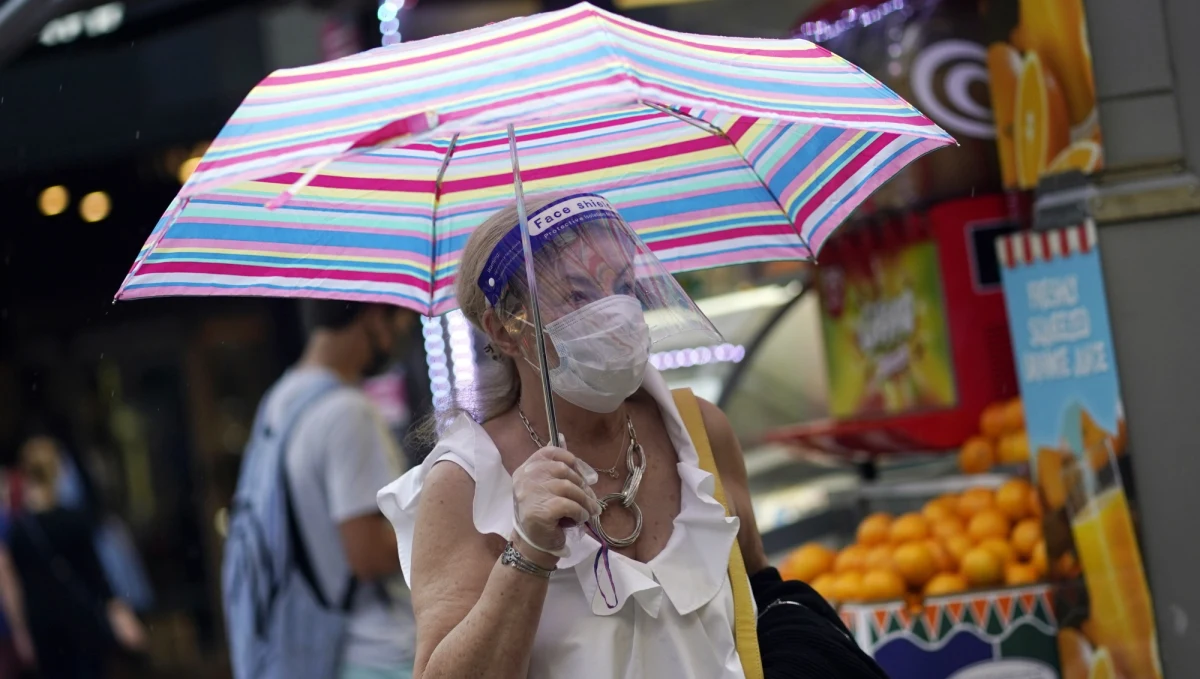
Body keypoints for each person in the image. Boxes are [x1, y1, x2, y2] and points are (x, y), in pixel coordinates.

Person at [376, 192, 770, 679]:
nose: (617, 313)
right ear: (503, 332)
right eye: (580, 296)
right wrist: (529, 548)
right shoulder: (464, 484)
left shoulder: (699, 430)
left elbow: (760, 595)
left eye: (624, 285)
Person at [263, 300, 418, 679]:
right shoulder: (348, 412)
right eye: (399, 323)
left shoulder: (282, 399)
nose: (399, 337)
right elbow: (365, 555)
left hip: (317, 645)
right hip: (379, 652)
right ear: (374, 318)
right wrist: (439, 524)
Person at [7, 437, 145, 679]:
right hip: (80, 623)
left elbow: (18, 585)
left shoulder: (20, 530)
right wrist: (119, 611)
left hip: (44, 629)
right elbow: (96, 576)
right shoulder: (74, 521)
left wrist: (21, 631)